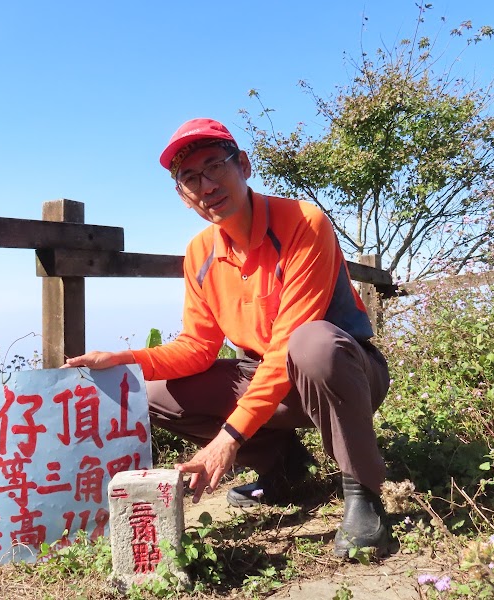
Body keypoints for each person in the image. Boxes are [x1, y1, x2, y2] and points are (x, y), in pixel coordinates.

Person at [63, 118, 391, 556]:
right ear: (182, 196)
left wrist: (227, 440)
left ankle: (363, 492)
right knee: (153, 391)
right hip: (274, 377)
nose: (206, 184)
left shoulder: (302, 223)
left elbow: (290, 343)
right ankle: (284, 469)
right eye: (190, 177)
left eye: (215, 166)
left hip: (345, 369)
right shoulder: (200, 252)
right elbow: (197, 347)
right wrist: (123, 359)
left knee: (311, 343)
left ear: (245, 166)